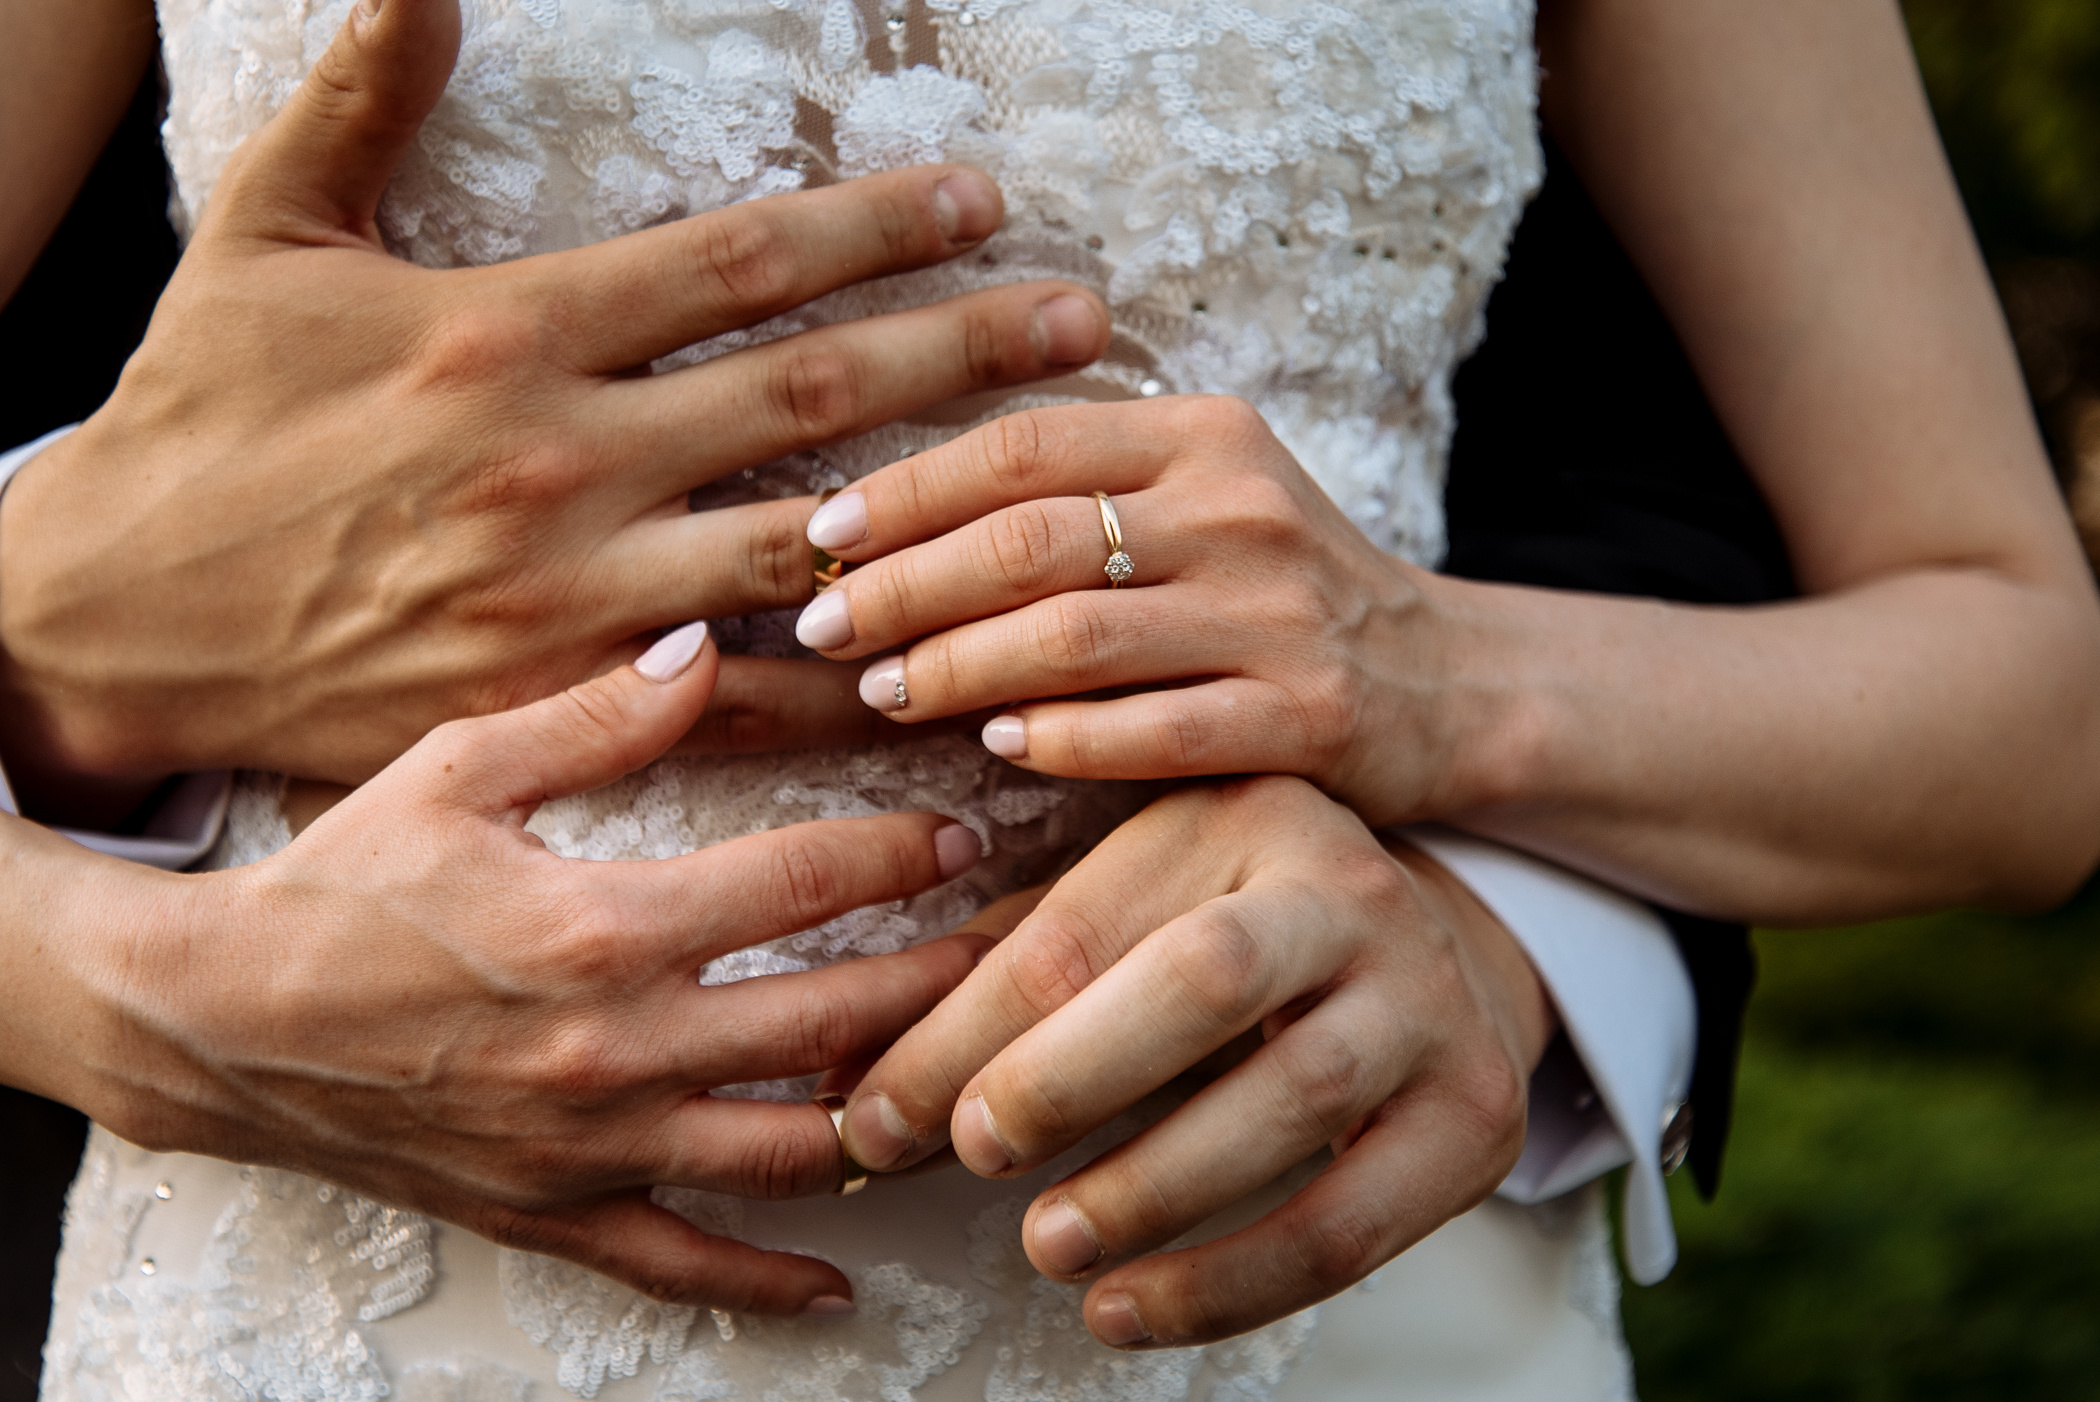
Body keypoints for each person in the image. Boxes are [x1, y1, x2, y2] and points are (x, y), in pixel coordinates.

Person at [2, 1, 2096, 1400]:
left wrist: (1423, 680)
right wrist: (119, 986)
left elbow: (2032, 702)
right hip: (358, 1307)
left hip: (1319, 1294)